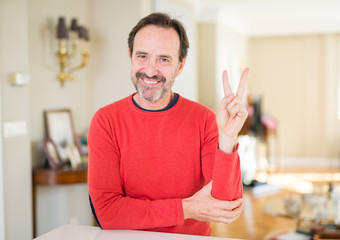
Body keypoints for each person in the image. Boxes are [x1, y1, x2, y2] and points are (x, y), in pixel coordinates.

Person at [88, 12, 250, 236]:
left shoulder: (203, 119)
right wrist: (187, 209)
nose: (151, 70)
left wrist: (228, 138)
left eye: (164, 59)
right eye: (142, 56)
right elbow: (107, 212)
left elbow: (227, 205)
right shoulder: (106, 121)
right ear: (130, 56)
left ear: (180, 65)